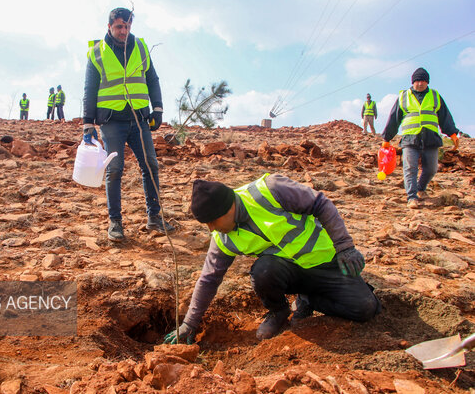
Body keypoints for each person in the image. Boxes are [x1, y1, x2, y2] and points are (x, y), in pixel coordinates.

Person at [164, 174, 381, 344]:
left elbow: (321, 204)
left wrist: (345, 248)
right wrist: (189, 324)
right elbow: (208, 279)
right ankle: (279, 311)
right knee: (263, 270)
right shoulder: (222, 238)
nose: (211, 229)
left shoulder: (270, 190)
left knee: (365, 308)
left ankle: (308, 299)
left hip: (327, 263)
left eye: (213, 221)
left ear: (228, 207)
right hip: (289, 273)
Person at [81, 7, 173, 241]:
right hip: (111, 122)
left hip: (139, 119)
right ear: (109, 26)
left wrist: (158, 108)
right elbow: (90, 90)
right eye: (119, 26)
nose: (124, 31)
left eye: (128, 26)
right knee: (114, 170)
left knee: (150, 166)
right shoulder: (96, 53)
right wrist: (87, 124)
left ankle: (154, 218)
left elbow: (152, 78)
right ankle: (115, 223)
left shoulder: (141, 47)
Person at [381, 67, 459, 209]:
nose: (420, 83)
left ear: (427, 82)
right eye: (417, 81)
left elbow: (445, 117)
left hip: (431, 139)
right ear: (413, 82)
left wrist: (452, 133)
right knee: (410, 168)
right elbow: (394, 118)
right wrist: (386, 139)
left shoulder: (435, 96)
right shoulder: (404, 96)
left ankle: (420, 188)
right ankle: (412, 197)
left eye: (423, 81)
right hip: (410, 139)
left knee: (431, 169)